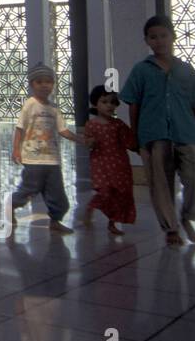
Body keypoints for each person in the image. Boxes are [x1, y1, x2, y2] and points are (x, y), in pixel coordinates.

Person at [119, 15, 195, 247]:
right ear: (147, 41)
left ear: (172, 37)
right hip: (154, 135)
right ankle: (171, 228)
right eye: (153, 37)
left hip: (186, 132)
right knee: (161, 183)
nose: (159, 41)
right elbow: (134, 104)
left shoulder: (186, 70)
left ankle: (188, 216)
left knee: (194, 179)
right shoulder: (142, 70)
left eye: (163, 35)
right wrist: (137, 136)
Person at [11, 62, 86, 234]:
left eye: (48, 82)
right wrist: (16, 149)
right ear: (32, 85)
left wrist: (80, 139)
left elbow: (63, 130)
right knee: (29, 189)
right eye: (39, 82)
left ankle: (55, 220)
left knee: (57, 193)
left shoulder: (54, 109)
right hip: (32, 158)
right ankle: (12, 205)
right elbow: (20, 128)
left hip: (52, 159)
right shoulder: (30, 104)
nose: (44, 85)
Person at [80, 86, 138, 234]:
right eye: (104, 101)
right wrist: (90, 142)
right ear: (95, 104)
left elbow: (130, 142)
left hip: (119, 165)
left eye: (112, 102)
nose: (109, 105)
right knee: (105, 191)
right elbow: (87, 141)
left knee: (119, 194)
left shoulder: (118, 125)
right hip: (101, 164)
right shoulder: (91, 125)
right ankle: (91, 207)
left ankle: (112, 223)